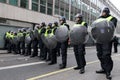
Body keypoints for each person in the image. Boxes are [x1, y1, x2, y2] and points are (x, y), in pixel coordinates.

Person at [95, 7, 117, 79]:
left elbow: (111, 26)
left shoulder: (112, 18)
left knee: (106, 55)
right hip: (99, 39)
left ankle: (108, 71)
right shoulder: (99, 18)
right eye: (102, 12)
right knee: (100, 54)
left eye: (104, 12)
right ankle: (104, 68)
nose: (102, 13)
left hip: (107, 39)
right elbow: (95, 27)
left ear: (107, 12)